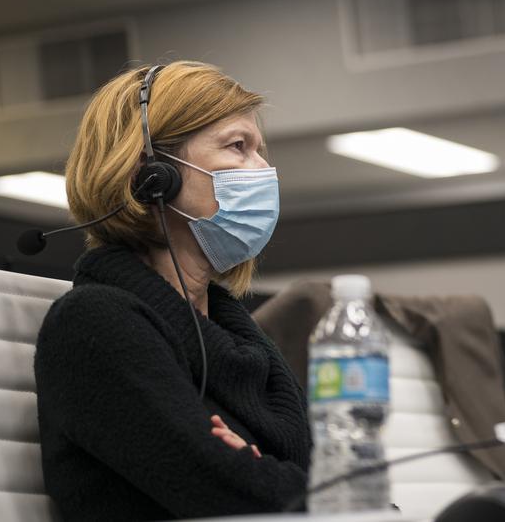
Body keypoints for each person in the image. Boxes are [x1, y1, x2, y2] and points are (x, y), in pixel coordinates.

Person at [34, 62, 311, 521]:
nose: (264, 170)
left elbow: (341, 491)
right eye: (238, 146)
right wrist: (266, 480)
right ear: (152, 175)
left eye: (260, 150)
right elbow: (228, 492)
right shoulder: (93, 324)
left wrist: (269, 478)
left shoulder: (242, 341)